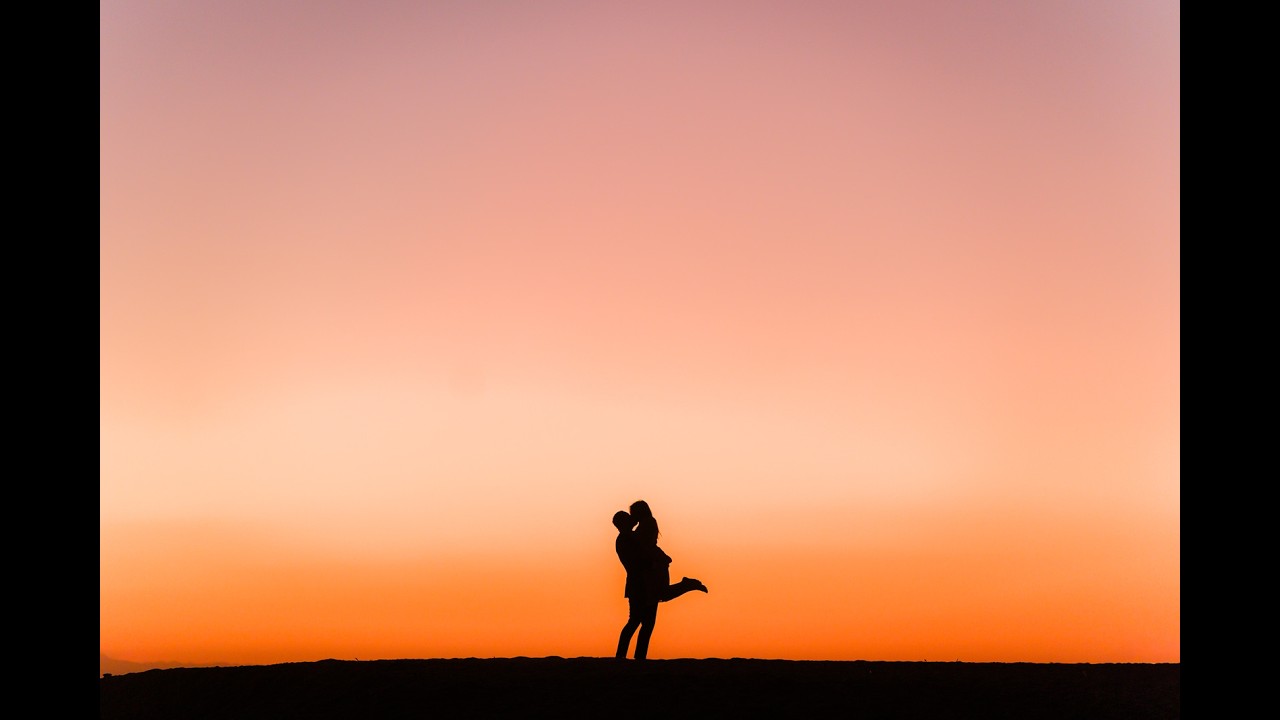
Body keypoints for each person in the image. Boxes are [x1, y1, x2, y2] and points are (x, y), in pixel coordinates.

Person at [614, 501, 707, 660]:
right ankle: (625, 657)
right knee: (638, 621)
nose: (632, 519)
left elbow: (646, 549)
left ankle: (634, 657)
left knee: (644, 621)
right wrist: (656, 561)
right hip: (640, 583)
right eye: (629, 518)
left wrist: (658, 560)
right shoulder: (627, 538)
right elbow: (637, 559)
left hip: (643, 581)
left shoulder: (634, 534)